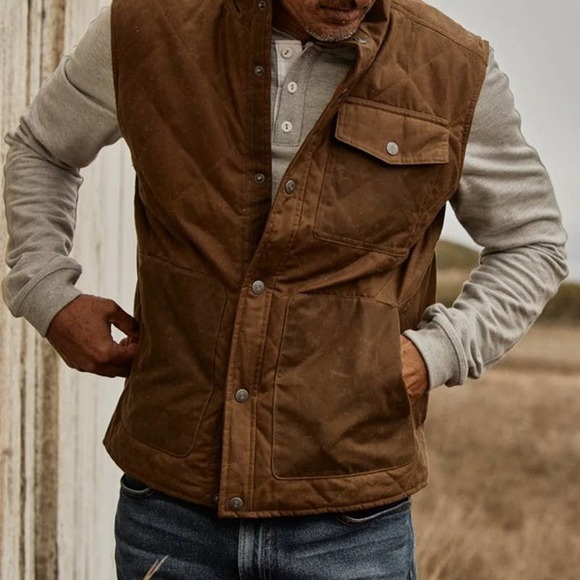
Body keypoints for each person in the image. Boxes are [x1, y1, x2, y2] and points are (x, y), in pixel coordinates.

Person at [2, 0, 568, 578]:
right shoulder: (145, 28)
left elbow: (534, 243)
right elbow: (42, 149)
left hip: (352, 527)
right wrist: (47, 291)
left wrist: (438, 352)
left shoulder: (455, 70)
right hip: (171, 513)